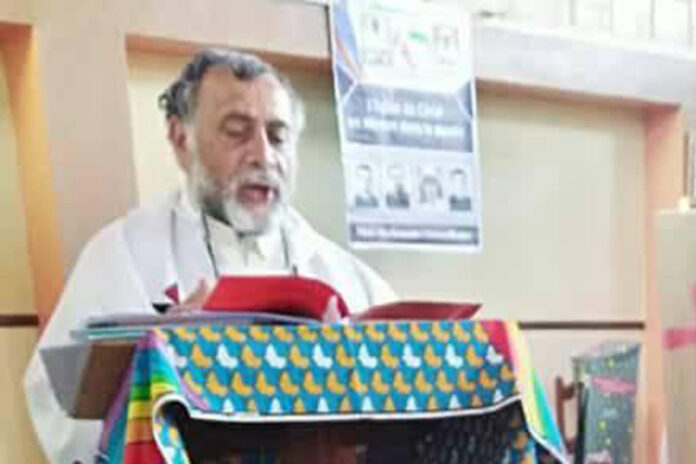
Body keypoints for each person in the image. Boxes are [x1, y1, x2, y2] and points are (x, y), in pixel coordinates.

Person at [24, 48, 396, 464]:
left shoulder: (348, 277)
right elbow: (61, 406)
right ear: (180, 139)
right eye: (237, 132)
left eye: (278, 136)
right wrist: (164, 362)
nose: (263, 156)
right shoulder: (125, 254)